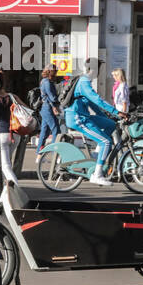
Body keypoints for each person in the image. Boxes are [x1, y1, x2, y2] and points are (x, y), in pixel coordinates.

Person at [65, 57, 127, 187]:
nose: (100, 71)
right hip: (77, 118)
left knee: (111, 125)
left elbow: (93, 104)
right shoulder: (84, 82)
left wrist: (108, 117)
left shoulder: (85, 81)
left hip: (84, 117)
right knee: (106, 142)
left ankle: (96, 155)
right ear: (94, 69)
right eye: (99, 68)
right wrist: (116, 112)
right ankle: (97, 175)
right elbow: (97, 100)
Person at [36, 66, 61, 149]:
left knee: (45, 131)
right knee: (56, 130)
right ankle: (55, 152)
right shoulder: (47, 82)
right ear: (50, 71)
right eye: (55, 71)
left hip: (45, 108)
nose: (56, 73)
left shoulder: (45, 81)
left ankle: (39, 154)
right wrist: (58, 103)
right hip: (48, 108)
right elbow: (52, 97)